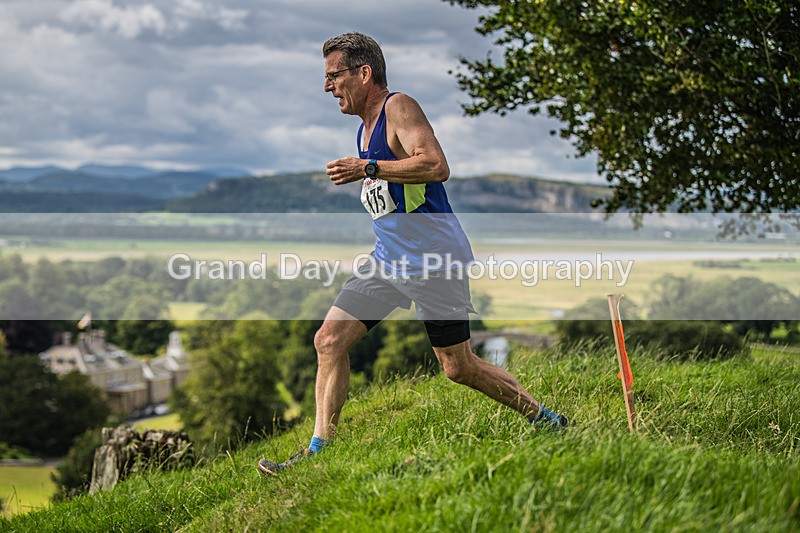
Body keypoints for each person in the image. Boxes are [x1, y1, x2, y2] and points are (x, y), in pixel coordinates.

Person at [258, 32, 567, 476]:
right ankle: (318, 451)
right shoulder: (365, 128)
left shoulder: (398, 108)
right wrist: (372, 169)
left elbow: (436, 165)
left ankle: (547, 419)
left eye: (333, 75)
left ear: (364, 73)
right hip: (388, 259)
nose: (327, 87)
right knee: (329, 340)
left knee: (458, 367)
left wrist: (368, 167)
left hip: (432, 258)